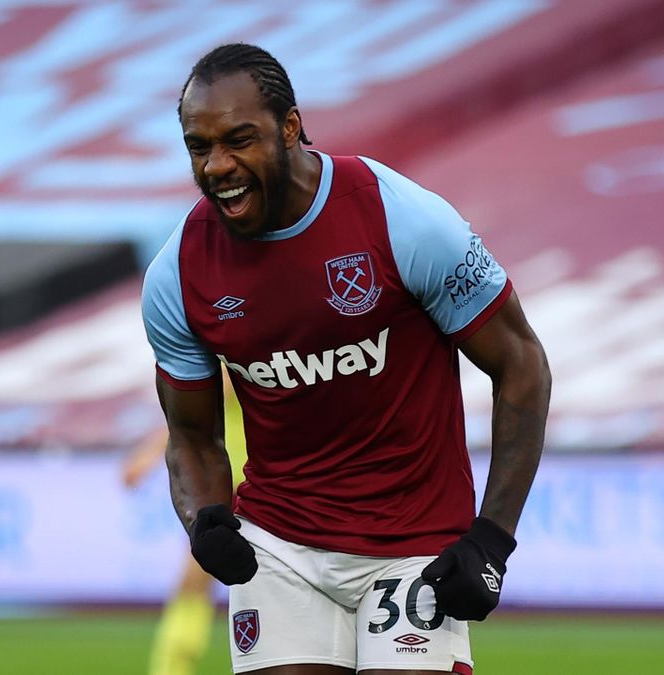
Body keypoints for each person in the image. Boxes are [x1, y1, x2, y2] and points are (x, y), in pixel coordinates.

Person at [141, 43, 550, 675]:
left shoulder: (400, 218)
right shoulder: (177, 274)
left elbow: (521, 364)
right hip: (279, 545)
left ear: (290, 128)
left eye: (239, 140)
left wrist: (492, 540)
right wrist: (205, 522)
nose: (218, 166)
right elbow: (191, 436)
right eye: (200, 148)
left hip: (413, 544)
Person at [122, 367, 247, 675]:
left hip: (258, 487)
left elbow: (198, 403)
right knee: (194, 582)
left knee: (197, 583)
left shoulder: (243, 354)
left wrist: (150, 453)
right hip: (230, 487)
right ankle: (171, 669)